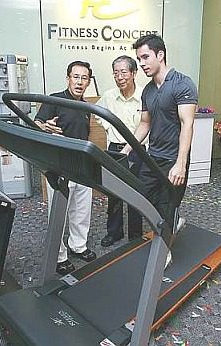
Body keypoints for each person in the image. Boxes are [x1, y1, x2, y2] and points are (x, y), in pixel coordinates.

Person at [122, 34, 198, 266]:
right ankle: (173, 222)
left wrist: (181, 163)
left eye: (145, 57)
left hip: (173, 158)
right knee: (142, 197)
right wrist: (127, 148)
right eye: (139, 58)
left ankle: (164, 251)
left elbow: (187, 124)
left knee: (167, 206)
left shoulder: (182, 84)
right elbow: (145, 123)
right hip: (153, 157)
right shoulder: (148, 91)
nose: (142, 63)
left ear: (160, 55)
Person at [34, 60, 96, 275]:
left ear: (88, 81)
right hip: (59, 168)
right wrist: (44, 126)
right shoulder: (54, 100)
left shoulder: (86, 107)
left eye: (84, 78)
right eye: (75, 76)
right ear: (68, 78)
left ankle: (78, 245)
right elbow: (36, 123)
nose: (79, 82)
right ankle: (59, 256)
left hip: (81, 167)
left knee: (81, 211)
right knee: (59, 213)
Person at [96, 55, 146, 247]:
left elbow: (148, 123)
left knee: (136, 193)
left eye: (124, 72)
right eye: (116, 73)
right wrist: (108, 128)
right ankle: (114, 232)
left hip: (137, 151)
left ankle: (135, 235)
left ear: (134, 73)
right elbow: (97, 114)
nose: (120, 77)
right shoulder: (109, 96)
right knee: (114, 193)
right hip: (115, 150)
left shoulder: (145, 96)